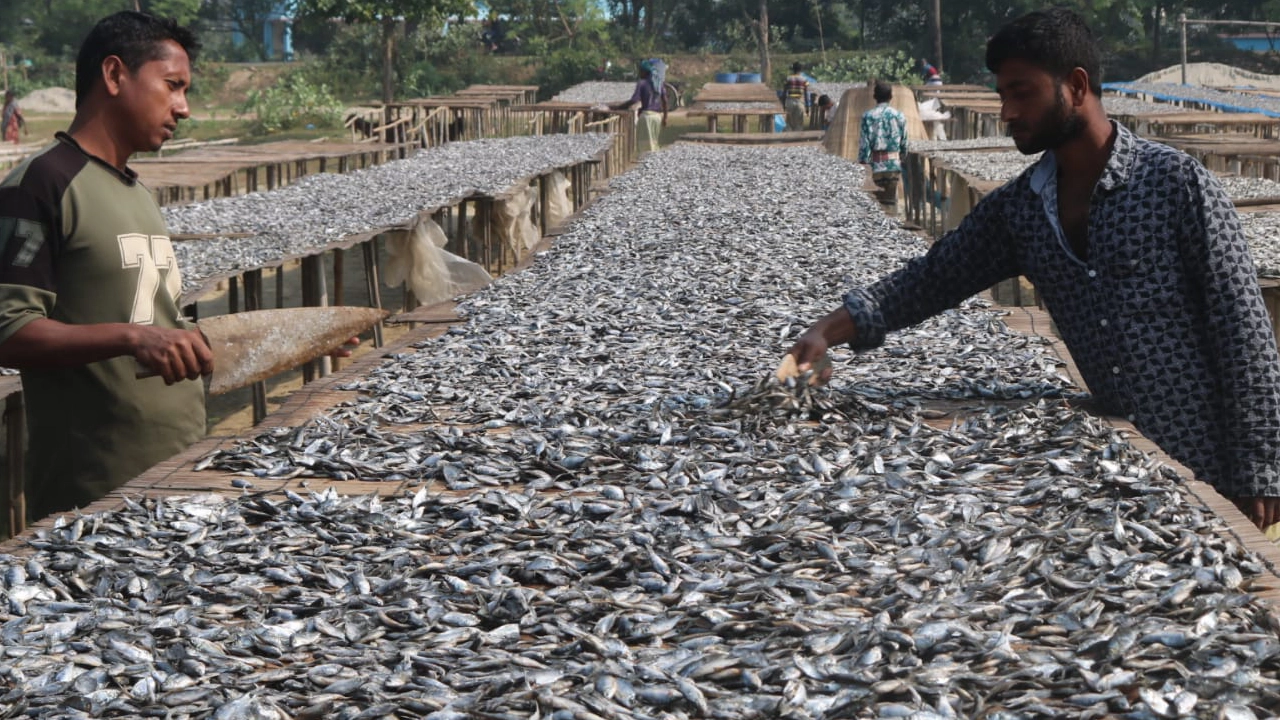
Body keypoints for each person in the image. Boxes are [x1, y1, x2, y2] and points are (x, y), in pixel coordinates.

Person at [790, 8, 1280, 530]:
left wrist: (1262, 465)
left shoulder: (1176, 184)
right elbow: (931, 279)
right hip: (1122, 470)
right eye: (1002, 95)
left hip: (1208, 459)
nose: (1007, 111)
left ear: (1076, 86)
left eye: (1021, 93)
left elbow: (1242, 328)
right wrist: (828, 329)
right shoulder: (1021, 209)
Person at [0, 11, 213, 520]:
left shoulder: (139, 193)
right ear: (115, 75)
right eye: (173, 86)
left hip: (179, 471)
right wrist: (132, 338)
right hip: (96, 493)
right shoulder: (42, 185)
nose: (183, 108)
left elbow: (156, 323)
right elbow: (9, 330)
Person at [857, 81, 907, 215]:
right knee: (890, 201)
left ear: (875, 97)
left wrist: (863, 162)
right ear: (891, 96)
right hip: (893, 165)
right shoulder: (899, 116)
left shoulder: (867, 116)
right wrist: (901, 157)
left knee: (878, 205)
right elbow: (904, 142)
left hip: (876, 166)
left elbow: (864, 144)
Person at [610, 59, 667, 155]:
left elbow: (634, 100)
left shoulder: (642, 83)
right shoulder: (659, 84)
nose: (639, 73)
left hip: (646, 118)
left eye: (640, 71)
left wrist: (618, 107)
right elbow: (665, 100)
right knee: (653, 143)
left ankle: (647, 162)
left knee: (645, 146)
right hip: (657, 117)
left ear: (645, 72)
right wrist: (665, 117)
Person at [781, 62, 810, 132]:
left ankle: (789, 136)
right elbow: (806, 94)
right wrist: (807, 106)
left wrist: (783, 104)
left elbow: (784, 93)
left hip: (790, 101)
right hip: (800, 102)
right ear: (801, 69)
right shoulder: (804, 79)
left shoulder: (788, 78)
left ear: (793, 69)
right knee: (799, 124)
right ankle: (797, 137)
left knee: (789, 123)